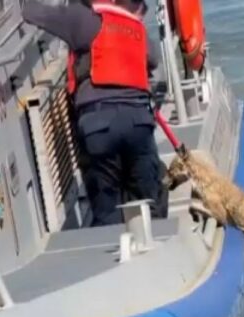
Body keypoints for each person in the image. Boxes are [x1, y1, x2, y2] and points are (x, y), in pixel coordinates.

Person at [22, 0, 169, 227]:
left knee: (106, 208)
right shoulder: (136, 28)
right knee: (148, 200)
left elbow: (32, 12)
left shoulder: (82, 21)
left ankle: (114, 245)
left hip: (97, 126)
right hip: (138, 123)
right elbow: (153, 60)